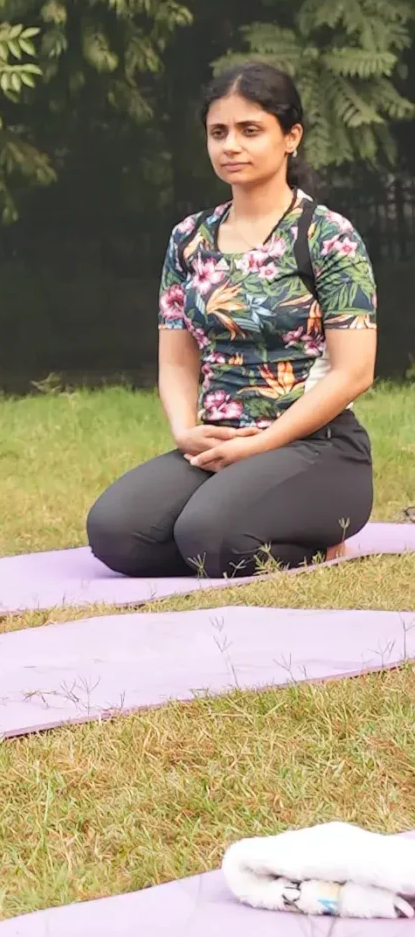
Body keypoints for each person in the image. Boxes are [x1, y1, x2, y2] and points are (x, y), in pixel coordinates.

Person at [86, 61, 377, 577]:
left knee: (209, 536)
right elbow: (177, 364)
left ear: (291, 137)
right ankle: (218, 529)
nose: (231, 146)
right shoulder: (189, 239)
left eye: (250, 130)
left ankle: (317, 541)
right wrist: (184, 431)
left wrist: (262, 444)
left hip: (318, 449)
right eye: (218, 132)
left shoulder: (326, 236)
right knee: (115, 531)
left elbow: (354, 372)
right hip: (219, 441)